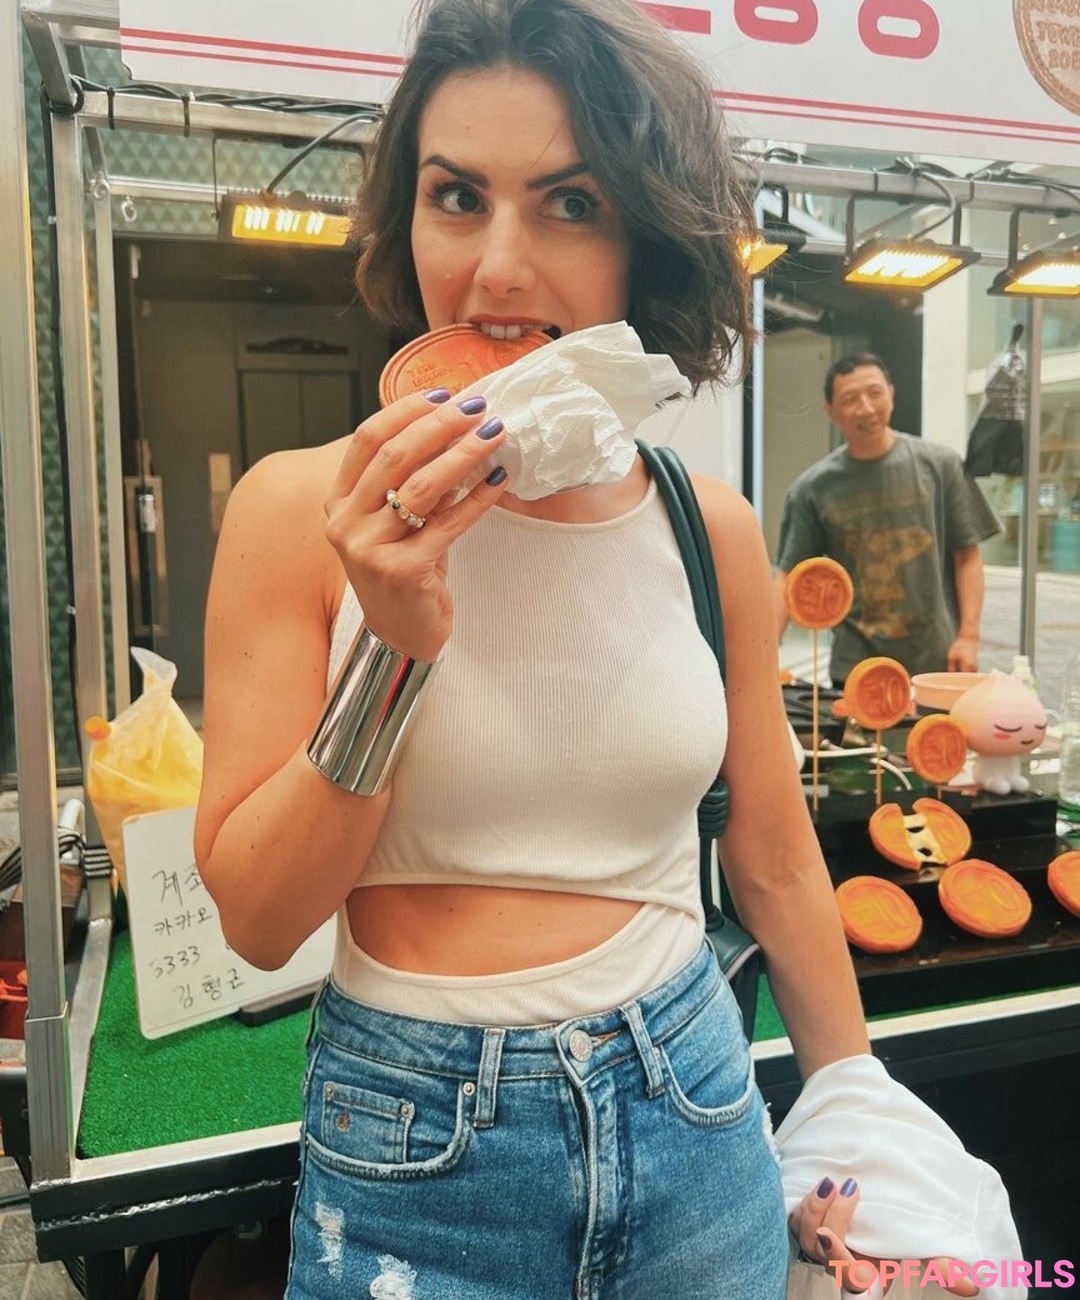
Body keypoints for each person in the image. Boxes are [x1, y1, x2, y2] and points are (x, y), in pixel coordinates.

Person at [195, 3, 995, 1297]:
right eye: (457, 197)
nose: (498, 267)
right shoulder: (299, 511)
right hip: (418, 1153)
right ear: (408, 220)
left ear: (643, 243)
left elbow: (776, 855)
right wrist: (393, 650)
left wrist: (864, 1127)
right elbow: (258, 915)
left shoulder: (706, 524)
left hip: (694, 1107)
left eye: (570, 204)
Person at [773, 353, 1001, 687]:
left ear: (891, 394)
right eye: (850, 399)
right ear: (830, 411)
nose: (866, 408)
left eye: (875, 393)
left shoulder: (941, 466)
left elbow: (967, 556)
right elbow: (788, 577)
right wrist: (764, 657)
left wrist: (969, 636)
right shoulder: (812, 489)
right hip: (856, 669)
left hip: (937, 663)